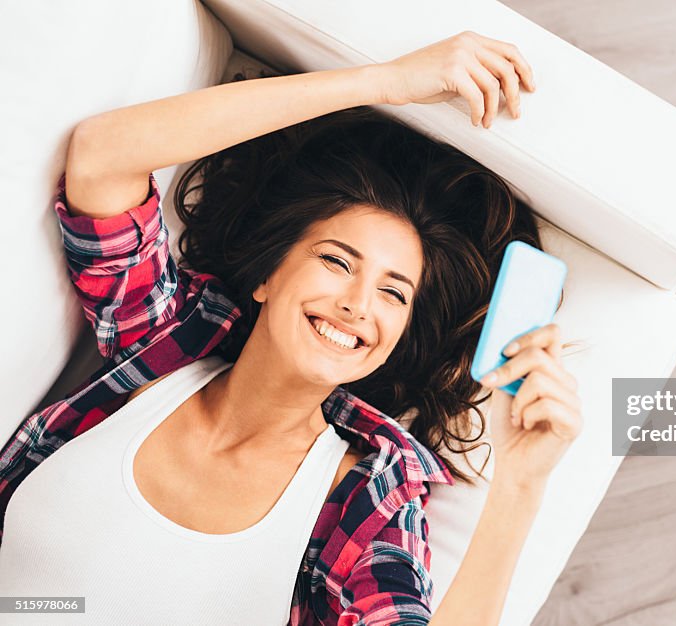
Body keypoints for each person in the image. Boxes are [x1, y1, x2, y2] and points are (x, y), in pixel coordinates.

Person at [0, 31, 582, 625]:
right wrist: (385, 81)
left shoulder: (363, 501)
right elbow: (103, 154)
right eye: (336, 261)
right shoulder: (164, 342)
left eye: (392, 292)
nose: (358, 304)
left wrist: (518, 487)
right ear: (267, 278)